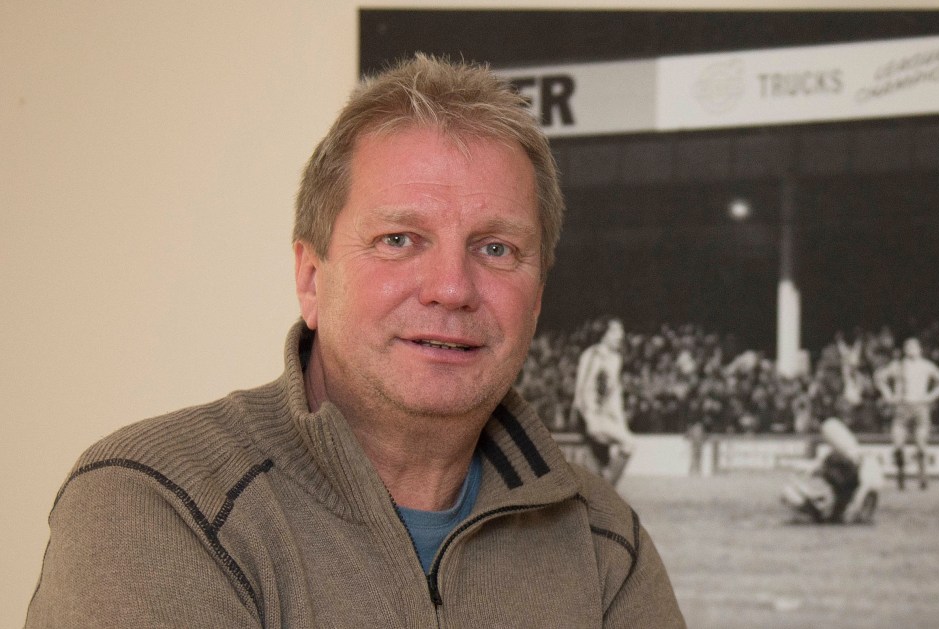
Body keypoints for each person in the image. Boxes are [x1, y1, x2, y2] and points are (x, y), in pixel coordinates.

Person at [26, 55, 684, 628]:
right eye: (399, 240)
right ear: (311, 279)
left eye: (496, 247)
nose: (451, 287)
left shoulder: (604, 542)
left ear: (536, 298)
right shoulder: (158, 500)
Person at [873, 337, 939, 490]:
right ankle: (901, 476)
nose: (911, 349)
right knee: (898, 446)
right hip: (902, 408)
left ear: (920, 349)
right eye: (908, 347)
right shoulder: (898, 366)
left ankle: (923, 478)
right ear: (904, 349)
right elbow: (879, 377)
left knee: (921, 445)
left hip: (920, 408)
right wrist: (888, 395)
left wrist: (931, 396)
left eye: (914, 347)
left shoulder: (926, 366)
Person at [781, 417, 883, 524]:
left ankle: (839, 509)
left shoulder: (859, 463)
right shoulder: (831, 460)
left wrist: (856, 507)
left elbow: (868, 488)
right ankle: (830, 509)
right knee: (790, 493)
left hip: (845, 495)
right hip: (837, 499)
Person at [572, 318, 635, 485]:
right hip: (589, 416)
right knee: (628, 444)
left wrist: (621, 422)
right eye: (615, 331)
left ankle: (603, 495)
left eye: (621, 331)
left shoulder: (616, 359)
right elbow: (582, 389)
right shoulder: (592, 355)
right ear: (604, 335)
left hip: (605, 418)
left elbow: (615, 395)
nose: (620, 335)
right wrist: (589, 418)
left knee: (601, 466)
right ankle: (607, 494)